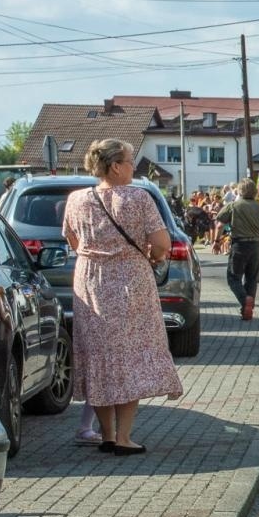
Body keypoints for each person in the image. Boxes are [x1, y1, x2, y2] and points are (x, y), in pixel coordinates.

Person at [60, 138, 183, 454]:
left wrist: (96, 254)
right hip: (130, 282)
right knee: (128, 354)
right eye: (130, 161)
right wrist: (149, 256)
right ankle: (125, 437)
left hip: (89, 281)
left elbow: (72, 239)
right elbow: (161, 243)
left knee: (99, 355)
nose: (133, 167)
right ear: (116, 166)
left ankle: (106, 435)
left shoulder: (76, 199)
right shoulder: (138, 198)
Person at [218, 179, 259, 321]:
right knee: (252, 278)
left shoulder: (233, 206)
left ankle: (245, 301)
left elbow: (219, 225)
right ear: (255, 192)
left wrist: (216, 241)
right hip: (256, 246)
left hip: (239, 245)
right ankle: (247, 310)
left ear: (240, 191)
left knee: (233, 277)